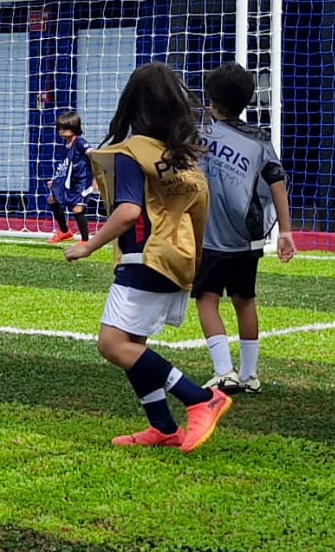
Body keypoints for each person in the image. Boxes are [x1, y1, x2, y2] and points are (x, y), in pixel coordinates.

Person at [64, 62, 231, 453]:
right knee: (133, 345)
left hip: (145, 259)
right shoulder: (182, 161)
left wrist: (88, 245)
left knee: (112, 344)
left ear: (131, 106)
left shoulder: (131, 152)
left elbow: (128, 212)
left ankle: (200, 398)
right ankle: (163, 427)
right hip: (178, 259)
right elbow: (199, 214)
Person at [194, 61, 296, 393]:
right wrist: (286, 232)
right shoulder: (260, 139)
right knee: (244, 300)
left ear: (210, 99)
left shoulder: (201, 135)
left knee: (207, 299)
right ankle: (250, 375)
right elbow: (277, 183)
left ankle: (224, 370)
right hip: (248, 234)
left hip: (212, 233)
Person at [45, 111, 95, 245]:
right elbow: (64, 166)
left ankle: (85, 241)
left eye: (64, 128)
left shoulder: (80, 142)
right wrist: (55, 180)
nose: (61, 131)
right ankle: (64, 232)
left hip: (82, 182)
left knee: (77, 209)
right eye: (59, 128)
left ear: (74, 128)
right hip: (69, 182)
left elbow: (92, 154)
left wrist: (96, 178)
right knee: (52, 199)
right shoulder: (65, 146)